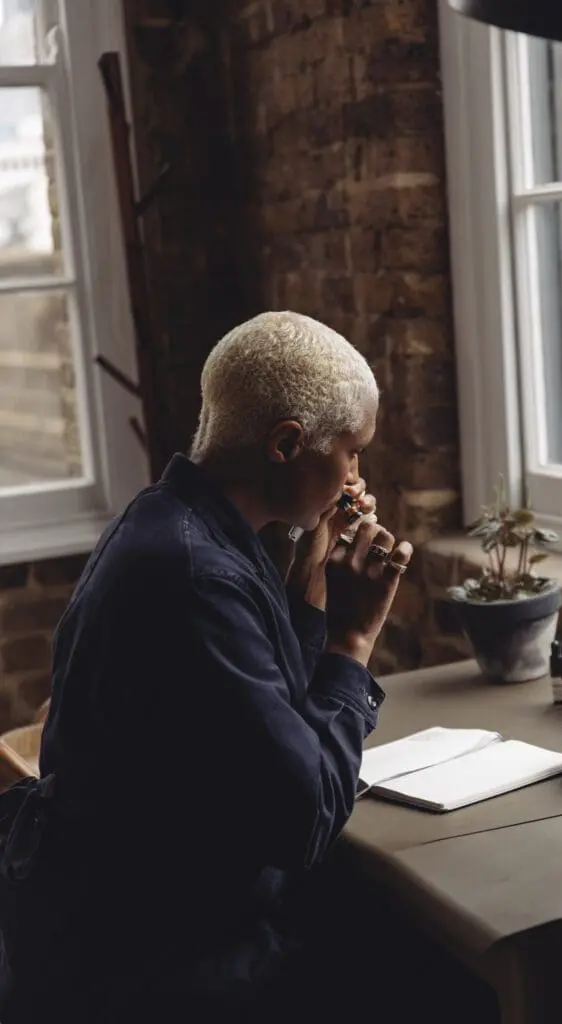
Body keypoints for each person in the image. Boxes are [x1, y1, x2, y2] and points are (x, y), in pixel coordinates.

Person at [0, 311, 416, 1022]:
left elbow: (270, 697)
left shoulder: (170, 522)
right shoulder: (194, 576)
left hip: (119, 920)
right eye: (350, 452)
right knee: (428, 964)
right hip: (155, 965)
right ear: (287, 444)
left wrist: (313, 560)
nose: (355, 476)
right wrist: (353, 640)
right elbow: (304, 820)